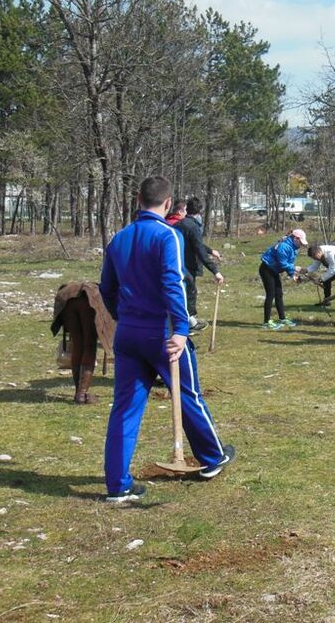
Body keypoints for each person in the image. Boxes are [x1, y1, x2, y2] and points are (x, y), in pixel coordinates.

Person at [99, 176, 233, 502]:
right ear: (169, 203)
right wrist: (181, 330)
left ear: (137, 200)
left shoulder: (118, 239)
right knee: (188, 394)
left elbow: (106, 288)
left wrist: (123, 317)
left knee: (125, 408)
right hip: (161, 334)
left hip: (128, 334)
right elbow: (174, 283)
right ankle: (212, 458)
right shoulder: (167, 236)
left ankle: (118, 485)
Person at [51, 281, 116, 404]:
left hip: (68, 298)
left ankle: (79, 392)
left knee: (78, 344)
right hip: (89, 299)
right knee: (89, 345)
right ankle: (81, 394)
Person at [174, 197, 224, 332]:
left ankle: (188, 322)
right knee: (189, 293)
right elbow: (199, 251)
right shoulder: (193, 227)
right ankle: (189, 325)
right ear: (199, 212)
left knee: (182, 294)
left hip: (175, 264)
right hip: (187, 266)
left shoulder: (179, 224)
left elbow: (197, 245)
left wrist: (210, 250)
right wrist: (215, 271)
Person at [259, 228, 307, 329]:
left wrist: (292, 275)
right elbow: (283, 263)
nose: (301, 245)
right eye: (301, 242)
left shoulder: (293, 248)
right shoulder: (284, 246)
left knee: (279, 294)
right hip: (267, 270)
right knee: (271, 294)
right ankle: (266, 322)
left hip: (274, 271)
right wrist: (295, 268)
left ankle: (282, 318)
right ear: (295, 238)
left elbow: (288, 263)